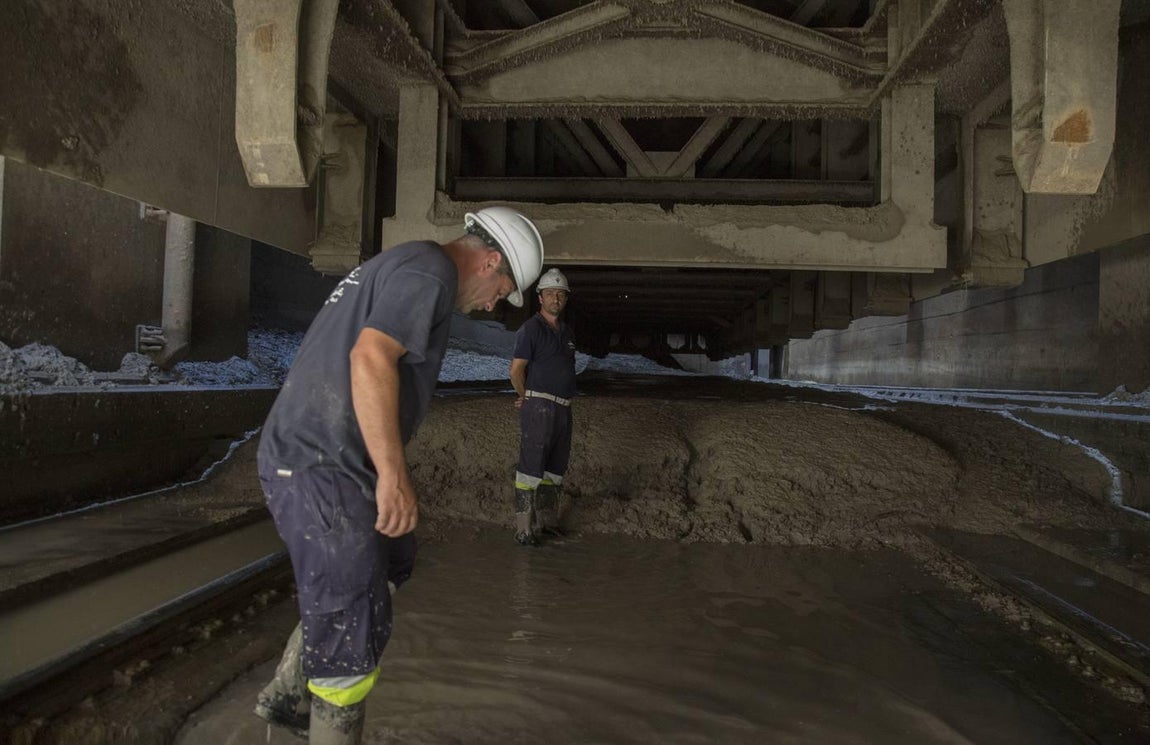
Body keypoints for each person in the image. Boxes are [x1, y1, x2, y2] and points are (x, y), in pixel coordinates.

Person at [254, 207, 544, 744]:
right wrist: (392, 473)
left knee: (394, 554)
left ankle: (293, 692)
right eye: (502, 290)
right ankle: (317, 709)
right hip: (323, 462)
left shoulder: (409, 265)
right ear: (490, 261)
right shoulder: (429, 270)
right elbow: (370, 357)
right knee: (351, 624)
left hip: (336, 460)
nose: (493, 303)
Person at [509, 267, 576, 546]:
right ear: (540, 298)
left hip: (563, 408)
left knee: (554, 470)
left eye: (560, 294)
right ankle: (523, 528)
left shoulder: (567, 331)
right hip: (539, 406)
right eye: (550, 293)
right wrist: (526, 397)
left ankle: (547, 524)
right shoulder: (530, 329)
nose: (556, 299)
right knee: (530, 468)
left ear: (566, 299)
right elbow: (516, 371)